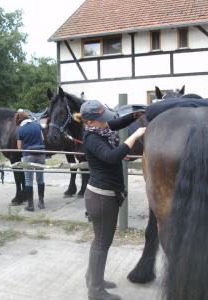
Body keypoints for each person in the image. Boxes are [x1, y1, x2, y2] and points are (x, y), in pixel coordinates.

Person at [80, 100, 146, 300]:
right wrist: (134, 136)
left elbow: (115, 124)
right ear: (91, 121)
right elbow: (111, 157)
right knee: (101, 243)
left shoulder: (101, 129)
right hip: (101, 197)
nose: (106, 122)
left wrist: (136, 115)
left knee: (101, 242)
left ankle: (94, 279)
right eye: (102, 120)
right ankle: (95, 291)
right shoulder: (92, 138)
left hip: (104, 196)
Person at [15, 110, 46, 212]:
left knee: (29, 180)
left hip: (28, 156)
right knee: (40, 179)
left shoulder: (20, 129)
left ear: (19, 120)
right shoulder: (37, 125)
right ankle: (41, 202)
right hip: (41, 154)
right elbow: (42, 138)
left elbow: (19, 148)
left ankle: (30, 205)